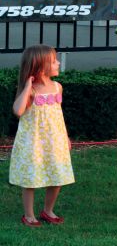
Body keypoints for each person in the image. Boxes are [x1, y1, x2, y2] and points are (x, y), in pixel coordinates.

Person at [9, 44, 75, 227]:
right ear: (40, 66)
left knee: (57, 175)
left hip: (55, 140)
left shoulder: (57, 87)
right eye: (54, 61)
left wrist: (66, 136)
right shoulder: (30, 91)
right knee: (30, 179)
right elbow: (18, 110)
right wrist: (28, 86)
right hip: (34, 142)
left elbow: (59, 115)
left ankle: (48, 210)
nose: (59, 63)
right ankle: (29, 215)